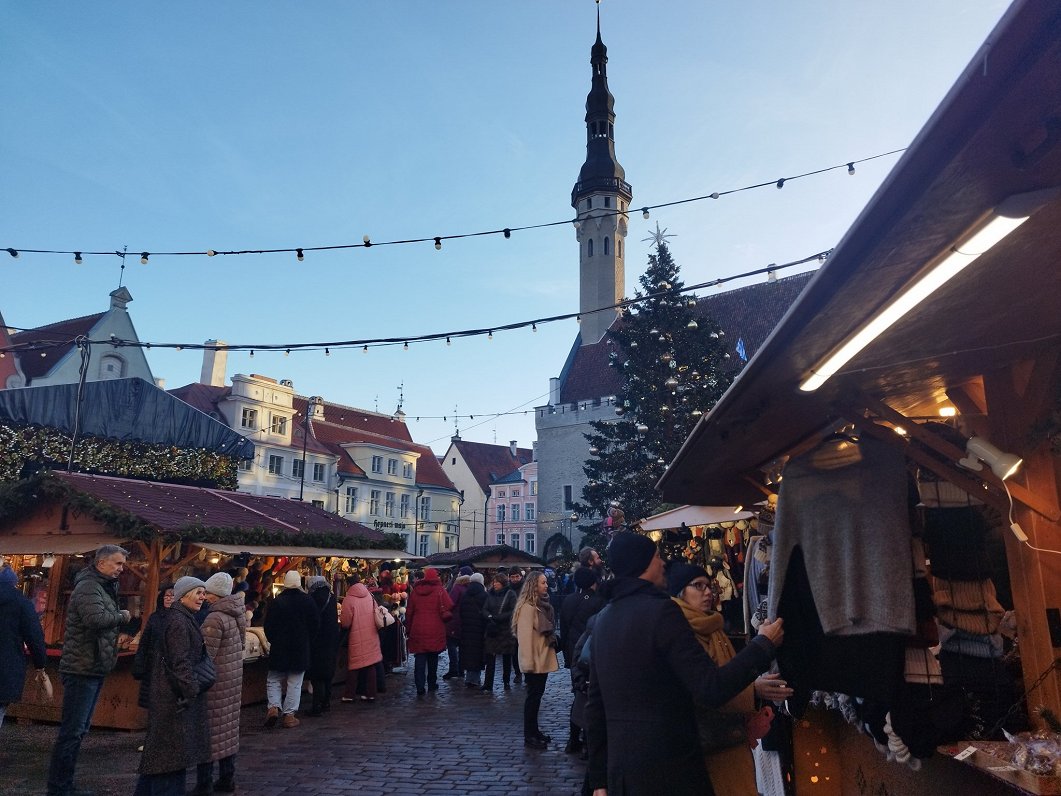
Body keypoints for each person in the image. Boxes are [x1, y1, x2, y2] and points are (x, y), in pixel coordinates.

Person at [585, 533, 785, 796]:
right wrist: (763, 645)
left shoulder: (603, 620)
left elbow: (596, 706)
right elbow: (710, 688)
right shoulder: (662, 612)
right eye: (657, 557)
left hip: (624, 774)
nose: (662, 564)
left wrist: (599, 779)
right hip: (670, 771)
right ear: (642, 564)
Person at [668, 562, 794, 795]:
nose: (708, 592)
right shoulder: (679, 633)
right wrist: (752, 690)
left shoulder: (713, 626)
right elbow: (701, 690)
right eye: (698, 586)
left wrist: (752, 687)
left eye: (709, 586)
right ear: (679, 592)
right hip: (708, 753)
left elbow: (725, 675)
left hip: (731, 744)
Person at [47, 544, 131, 796]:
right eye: (117, 563)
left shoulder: (102, 586)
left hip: (92, 666)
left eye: (122, 564)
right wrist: (122, 616)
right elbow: (96, 619)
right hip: (81, 668)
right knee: (72, 731)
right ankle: (59, 787)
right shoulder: (88, 587)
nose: (121, 568)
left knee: (78, 730)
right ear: (101, 563)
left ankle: (64, 784)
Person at [135, 576, 212, 796]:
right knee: (170, 760)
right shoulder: (179, 621)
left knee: (161, 758)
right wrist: (191, 691)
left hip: (171, 695)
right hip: (174, 698)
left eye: (203, 593)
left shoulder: (182, 617)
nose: (202, 597)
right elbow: (180, 662)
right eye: (198, 592)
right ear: (184, 594)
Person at [194, 572, 247, 795]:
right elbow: (241, 643)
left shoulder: (214, 618)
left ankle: (204, 783)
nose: (204, 597)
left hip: (215, 682)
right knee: (227, 731)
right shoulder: (237, 612)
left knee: (208, 733)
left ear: (214, 594)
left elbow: (206, 654)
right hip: (232, 679)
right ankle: (227, 778)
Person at [263, 570, 319, 728]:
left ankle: (273, 707)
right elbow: (315, 624)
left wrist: (274, 639)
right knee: (295, 682)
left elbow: (269, 626)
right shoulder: (308, 601)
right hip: (300, 647)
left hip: (280, 647)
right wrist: (308, 640)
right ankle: (289, 715)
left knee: (273, 679)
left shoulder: (277, 601)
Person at [559, 566, 605, 755]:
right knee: (589, 697)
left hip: (574, 654)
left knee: (578, 695)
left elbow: (563, 628)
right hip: (591, 656)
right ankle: (587, 741)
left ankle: (573, 739)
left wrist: (568, 656)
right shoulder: (598, 602)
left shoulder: (568, 600)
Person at [512, 570, 559, 749]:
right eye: (543, 583)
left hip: (542, 658)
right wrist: (528, 664)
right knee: (533, 698)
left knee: (537, 697)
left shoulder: (541, 606)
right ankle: (529, 734)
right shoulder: (527, 608)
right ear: (534, 585)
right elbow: (524, 639)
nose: (546, 586)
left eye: (546, 582)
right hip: (534, 661)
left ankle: (534, 731)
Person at [0, 565, 47, 730]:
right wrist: (40, 665)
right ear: (14, 584)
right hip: (6, 668)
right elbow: (34, 637)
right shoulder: (22, 603)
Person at [405, 567, 453, 697]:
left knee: (419, 659)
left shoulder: (415, 591)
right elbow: (449, 605)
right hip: (435, 628)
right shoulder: (440, 590)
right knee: (433, 658)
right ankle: (432, 683)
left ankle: (420, 686)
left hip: (418, 628)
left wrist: (408, 629)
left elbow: (409, 612)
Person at [339, 574, 383, 703]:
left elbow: (345, 622)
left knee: (354, 666)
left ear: (348, 584)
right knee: (370, 665)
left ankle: (349, 694)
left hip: (356, 635)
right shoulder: (369, 595)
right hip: (371, 634)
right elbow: (375, 611)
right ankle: (370, 693)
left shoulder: (349, 599)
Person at [306, 576, 340, 715]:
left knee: (317, 675)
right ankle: (326, 702)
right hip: (331, 640)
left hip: (317, 641)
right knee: (327, 673)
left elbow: (311, 620)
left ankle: (317, 706)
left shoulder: (312, 598)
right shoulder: (331, 597)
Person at [481, 572, 518, 691]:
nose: (495, 584)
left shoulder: (510, 594)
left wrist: (499, 617)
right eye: (494, 582)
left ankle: (506, 682)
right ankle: (488, 683)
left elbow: (513, 611)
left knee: (506, 657)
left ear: (502, 583)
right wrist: (490, 617)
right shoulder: (490, 594)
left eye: (497, 582)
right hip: (492, 629)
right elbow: (484, 609)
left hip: (505, 630)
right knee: (490, 656)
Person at [459, 572, 487, 688]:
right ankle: (474, 679)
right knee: (477, 654)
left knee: (468, 653)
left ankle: (469, 678)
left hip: (466, 629)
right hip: (479, 629)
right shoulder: (484, 595)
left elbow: (461, 612)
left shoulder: (465, 594)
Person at [443, 566, 472, 679]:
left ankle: (453, 669)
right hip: (466, 621)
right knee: (462, 647)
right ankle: (461, 669)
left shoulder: (457, 587)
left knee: (451, 645)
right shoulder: (471, 587)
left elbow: (450, 603)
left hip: (454, 621)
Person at [508, 568, 525, 684]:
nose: (515, 579)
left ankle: (528, 673)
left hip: (525, 622)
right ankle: (518, 673)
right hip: (511, 623)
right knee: (514, 650)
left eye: (517, 577)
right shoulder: (508, 589)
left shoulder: (525, 589)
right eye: (512, 577)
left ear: (521, 577)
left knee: (526, 649)